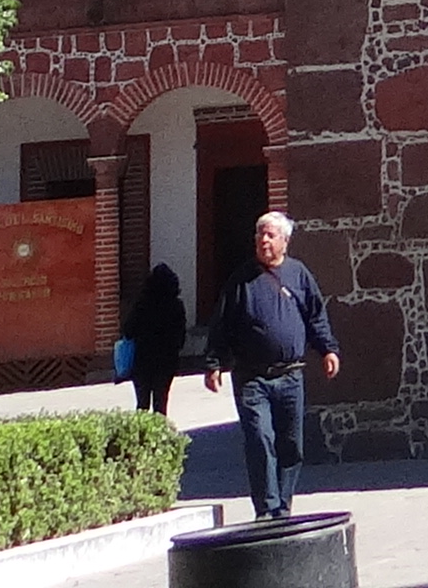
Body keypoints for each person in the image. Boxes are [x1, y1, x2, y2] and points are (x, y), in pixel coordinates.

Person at [198, 208, 337, 521]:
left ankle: (282, 507)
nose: (263, 240)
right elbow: (222, 324)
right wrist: (214, 363)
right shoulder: (241, 280)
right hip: (252, 379)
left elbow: (316, 315)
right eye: (259, 234)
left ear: (284, 242)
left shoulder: (299, 274)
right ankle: (266, 507)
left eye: (270, 235)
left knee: (291, 445)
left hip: (291, 376)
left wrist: (327, 349)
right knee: (260, 439)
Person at [118, 257, 186, 417]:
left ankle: (142, 436)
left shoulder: (142, 304)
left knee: (142, 404)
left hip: (142, 360)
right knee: (161, 403)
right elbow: (180, 335)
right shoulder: (176, 306)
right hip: (166, 362)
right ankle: (159, 437)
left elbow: (128, 330)